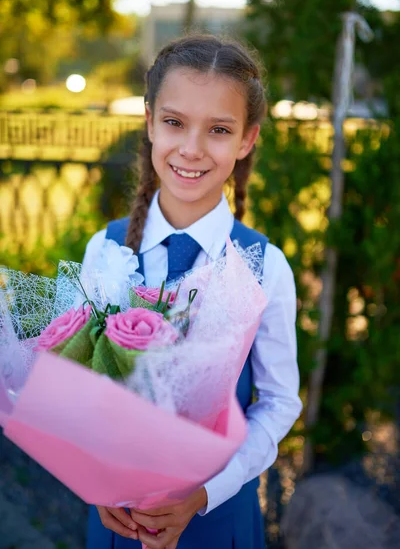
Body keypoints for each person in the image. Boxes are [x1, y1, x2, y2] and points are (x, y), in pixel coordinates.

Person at [84, 34, 302, 549]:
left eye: (219, 130)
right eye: (174, 122)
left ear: (247, 140)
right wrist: (93, 476)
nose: (191, 148)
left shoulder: (263, 267)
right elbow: (83, 382)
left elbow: (276, 401)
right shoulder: (105, 248)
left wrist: (206, 492)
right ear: (149, 121)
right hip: (116, 519)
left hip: (217, 520)